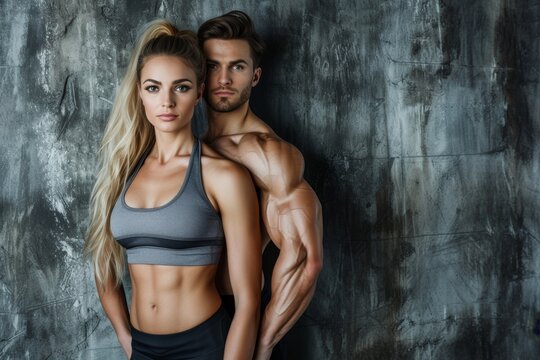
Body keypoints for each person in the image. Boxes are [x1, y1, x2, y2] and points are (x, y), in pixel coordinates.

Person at [85, 19, 261, 360]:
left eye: (180, 87)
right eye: (153, 88)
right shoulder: (122, 171)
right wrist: (127, 338)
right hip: (143, 347)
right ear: (139, 92)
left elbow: (249, 299)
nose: (166, 101)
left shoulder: (223, 176)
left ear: (198, 91)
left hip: (204, 346)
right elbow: (103, 265)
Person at [198, 11, 324, 360]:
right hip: (186, 324)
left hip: (236, 316)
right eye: (212, 66)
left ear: (255, 76)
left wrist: (264, 344)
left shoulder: (268, 154)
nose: (223, 78)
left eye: (236, 67)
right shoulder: (187, 144)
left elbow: (305, 258)